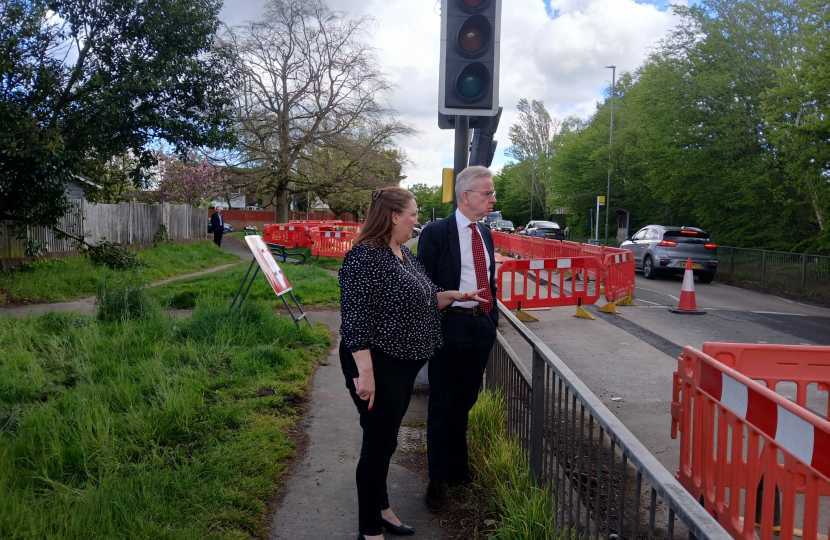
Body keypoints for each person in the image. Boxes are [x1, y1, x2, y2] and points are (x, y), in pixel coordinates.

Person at [338, 187, 488, 540]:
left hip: (401, 364)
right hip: (379, 365)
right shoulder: (364, 257)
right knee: (378, 444)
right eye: (413, 213)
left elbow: (419, 300)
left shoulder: (402, 252)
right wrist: (366, 374)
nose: (417, 220)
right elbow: (355, 321)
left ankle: (382, 509)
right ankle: (369, 531)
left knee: (382, 440)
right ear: (393, 216)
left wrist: (452, 296)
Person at [416, 165, 499, 511]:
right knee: (442, 404)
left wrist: (491, 318)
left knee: (465, 401)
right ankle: (436, 479)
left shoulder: (486, 233)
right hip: (450, 326)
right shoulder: (436, 233)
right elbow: (423, 285)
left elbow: (490, 278)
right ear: (466, 196)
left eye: (493, 193)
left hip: (481, 327)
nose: (493, 199)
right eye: (488, 193)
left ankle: (457, 468)